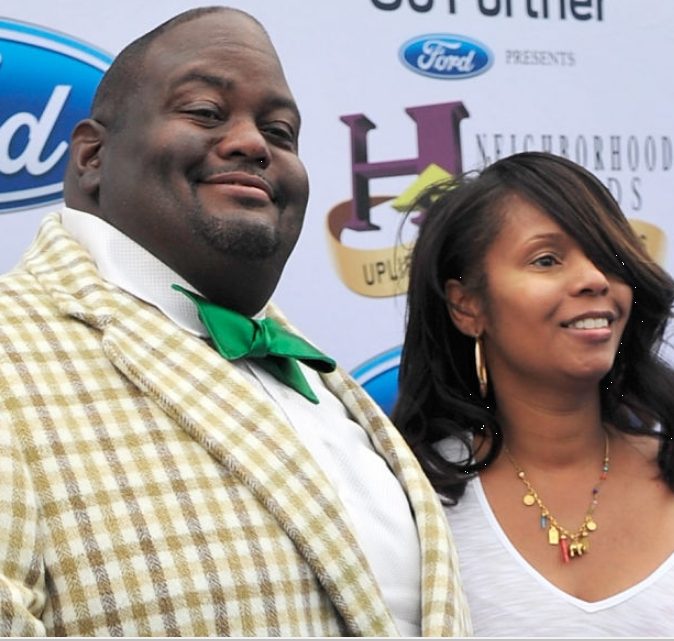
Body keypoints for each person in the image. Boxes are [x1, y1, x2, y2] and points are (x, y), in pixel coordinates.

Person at [0, 7, 472, 637]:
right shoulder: (11, 351)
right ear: (92, 156)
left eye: (280, 131)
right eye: (205, 111)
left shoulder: (323, 385)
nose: (253, 143)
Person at [393, 151, 674, 636]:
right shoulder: (412, 500)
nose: (594, 279)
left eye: (608, 258)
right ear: (467, 306)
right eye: (546, 260)